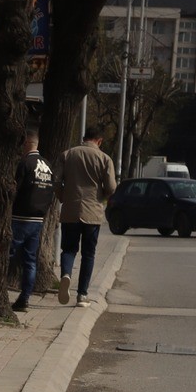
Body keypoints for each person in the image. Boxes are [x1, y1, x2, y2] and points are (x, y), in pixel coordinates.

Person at [57, 127, 117, 305]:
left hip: (70, 211)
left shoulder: (67, 155)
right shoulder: (105, 159)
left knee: (68, 249)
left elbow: (56, 180)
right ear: (99, 141)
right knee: (88, 254)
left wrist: (63, 196)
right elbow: (112, 187)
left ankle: (66, 274)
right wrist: (102, 197)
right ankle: (82, 295)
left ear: (83, 138)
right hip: (92, 212)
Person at [10, 132, 56, 313]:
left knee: (7, 253)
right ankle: (25, 298)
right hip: (38, 219)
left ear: (27, 144)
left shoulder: (25, 164)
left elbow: (15, 188)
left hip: (20, 217)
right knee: (30, 261)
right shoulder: (48, 166)